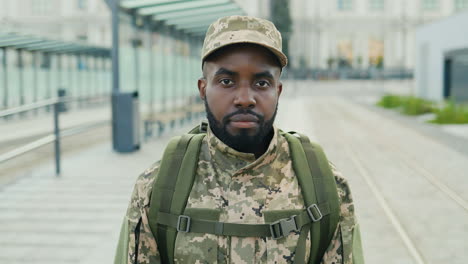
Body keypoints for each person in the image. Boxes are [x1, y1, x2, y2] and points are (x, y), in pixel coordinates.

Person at [114, 15, 364, 264]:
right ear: (203, 89)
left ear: (278, 91)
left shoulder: (325, 185)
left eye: (262, 82)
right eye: (226, 81)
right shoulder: (157, 186)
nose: (245, 98)